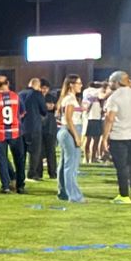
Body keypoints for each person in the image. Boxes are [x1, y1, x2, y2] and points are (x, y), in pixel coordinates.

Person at [101, 71, 131, 204]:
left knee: (122, 167)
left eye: (111, 81)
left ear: (117, 82)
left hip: (119, 135)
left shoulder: (114, 97)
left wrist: (104, 137)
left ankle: (124, 195)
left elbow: (110, 118)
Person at [0, 75, 25, 194]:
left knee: (2, 160)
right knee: (19, 160)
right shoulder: (16, 96)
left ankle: (6, 186)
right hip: (15, 132)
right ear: (7, 83)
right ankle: (20, 186)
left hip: (0, 133)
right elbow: (22, 112)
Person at [55, 75, 86, 203]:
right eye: (79, 83)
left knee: (64, 163)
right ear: (71, 85)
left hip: (65, 131)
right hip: (70, 131)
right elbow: (69, 119)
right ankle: (74, 196)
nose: (81, 85)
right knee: (71, 165)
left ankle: (63, 192)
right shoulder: (70, 99)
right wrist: (77, 136)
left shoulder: (67, 98)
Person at [21, 77, 48, 179]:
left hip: (21, 127)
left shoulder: (20, 94)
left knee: (21, 153)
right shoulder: (37, 94)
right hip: (34, 126)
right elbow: (44, 110)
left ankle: (20, 173)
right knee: (35, 152)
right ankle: (32, 173)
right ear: (38, 86)